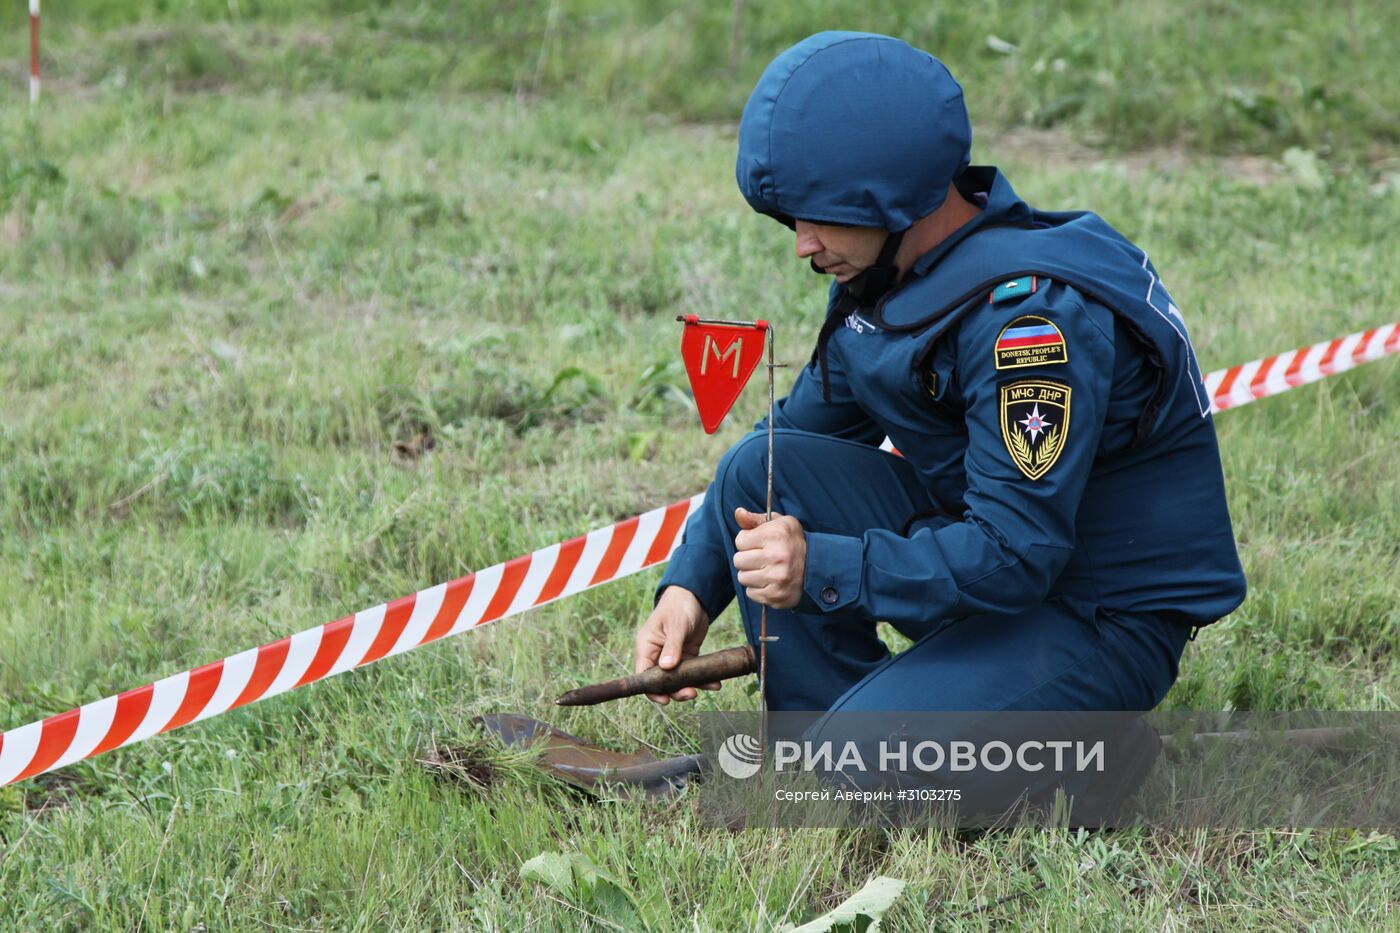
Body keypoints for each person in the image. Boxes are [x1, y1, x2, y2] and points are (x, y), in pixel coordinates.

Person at [633, 32, 1246, 738]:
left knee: (856, 761)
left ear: (895, 199)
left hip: (1096, 614)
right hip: (991, 557)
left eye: (819, 213)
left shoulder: (1029, 324)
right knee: (761, 473)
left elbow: (1018, 552)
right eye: (791, 216)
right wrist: (689, 586)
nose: (801, 242)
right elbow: (787, 443)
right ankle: (837, 735)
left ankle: (1098, 755)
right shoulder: (889, 280)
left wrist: (823, 565)